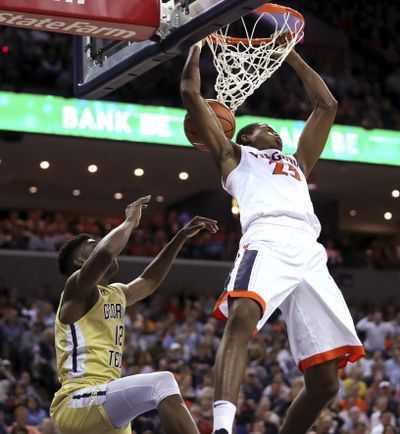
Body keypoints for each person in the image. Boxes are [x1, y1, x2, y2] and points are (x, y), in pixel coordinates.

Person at [180, 42, 365, 434]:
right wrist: (195, 48)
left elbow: (327, 105)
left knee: (326, 383)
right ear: (244, 137)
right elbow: (190, 93)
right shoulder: (233, 157)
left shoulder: (297, 163)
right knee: (242, 317)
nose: (274, 130)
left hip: (310, 250)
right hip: (268, 237)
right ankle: (223, 428)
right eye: (265, 127)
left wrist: (291, 56)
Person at [50, 195, 218, 434]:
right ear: (80, 261)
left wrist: (180, 237)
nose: (99, 244)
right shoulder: (76, 289)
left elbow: (149, 280)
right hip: (77, 400)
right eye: (92, 244)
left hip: (104, 404)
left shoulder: (116, 293)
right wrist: (130, 222)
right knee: (161, 383)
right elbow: (106, 253)